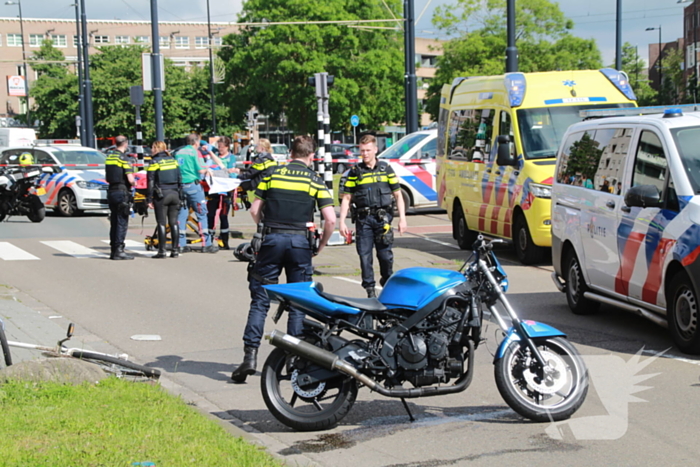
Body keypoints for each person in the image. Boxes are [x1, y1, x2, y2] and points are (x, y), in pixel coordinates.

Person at [231, 135, 336, 383]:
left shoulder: (272, 175)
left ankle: (250, 356)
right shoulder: (314, 180)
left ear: (290, 153)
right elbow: (330, 219)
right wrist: (320, 245)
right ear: (311, 156)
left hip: (271, 240)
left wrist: (265, 229)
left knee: (260, 299)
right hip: (300, 243)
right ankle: (293, 359)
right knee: (299, 301)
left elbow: (254, 210)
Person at [339, 134, 407, 298]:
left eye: (368, 150)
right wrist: (341, 222)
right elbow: (346, 198)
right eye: (362, 150)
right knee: (365, 257)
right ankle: (370, 291)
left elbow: (398, 195)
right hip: (364, 221)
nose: (365, 154)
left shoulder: (386, 169)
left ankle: (386, 279)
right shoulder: (355, 172)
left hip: (382, 220)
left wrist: (402, 219)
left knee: (385, 256)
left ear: (375, 150)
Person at [175, 133, 218, 254]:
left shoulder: (178, 152)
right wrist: (209, 171)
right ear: (196, 142)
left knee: (182, 214)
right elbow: (200, 169)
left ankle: (181, 244)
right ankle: (206, 244)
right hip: (193, 186)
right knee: (201, 213)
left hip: (181, 187)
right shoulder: (195, 152)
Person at [147, 141, 182, 259]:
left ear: (156, 149)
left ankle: (162, 251)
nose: (151, 150)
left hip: (162, 195)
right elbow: (179, 178)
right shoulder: (173, 160)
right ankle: (175, 250)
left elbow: (150, 181)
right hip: (175, 194)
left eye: (152, 147)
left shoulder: (154, 162)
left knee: (161, 223)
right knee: (174, 223)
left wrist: (149, 198)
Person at [105, 135, 136, 260]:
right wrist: (135, 182)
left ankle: (113, 249)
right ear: (126, 144)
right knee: (122, 222)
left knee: (114, 221)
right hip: (122, 192)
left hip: (111, 191)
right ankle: (119, 250)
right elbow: (130, 179)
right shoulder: (124, 158)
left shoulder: (109, 157)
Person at [206, 136, 240, 250]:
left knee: (223, 215)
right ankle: (209, 240)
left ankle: (224, 240)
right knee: (210, 214)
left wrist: (224, 172)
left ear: (227, 147)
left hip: (225, 190)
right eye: (218, 147)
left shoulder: (231, 158)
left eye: (221, 147)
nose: (219, 149)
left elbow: (232, 174)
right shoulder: (214, 156)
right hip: (213, 189)